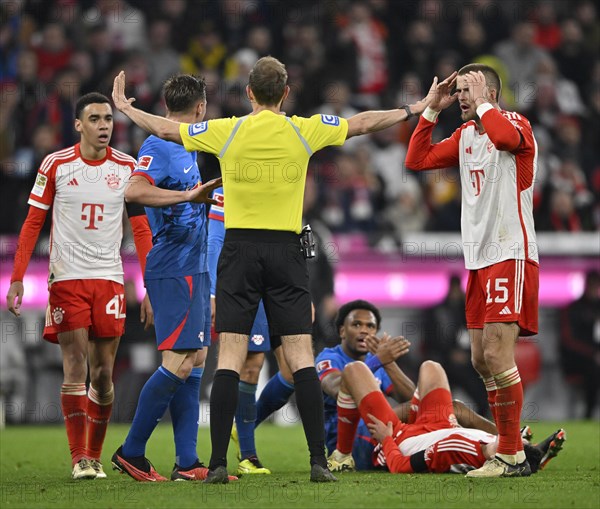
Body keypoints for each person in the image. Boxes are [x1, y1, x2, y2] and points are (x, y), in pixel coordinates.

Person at [112, 55, 435, 483]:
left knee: (228, 358)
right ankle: (318, 462)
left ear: (248, 94)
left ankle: (220, 464)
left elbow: (167, 128)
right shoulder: (303, 129)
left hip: (239, 250)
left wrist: (127, 108)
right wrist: (416, 108)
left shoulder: (227, 130)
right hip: (286, 251)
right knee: (300, 358)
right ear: (285, 93)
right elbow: (362, 123)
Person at [5, 92, 154, 480]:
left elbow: (140, 228)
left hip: (109, 278)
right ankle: (79, 460)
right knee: (75, 368)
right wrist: (18, 277)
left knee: (103, 374)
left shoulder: (127, 167)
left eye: (108, 119)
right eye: (95, 119)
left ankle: (94, 454)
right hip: (67, 277)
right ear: (78, 125)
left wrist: (150, 284)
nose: (104, 125)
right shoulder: (55, 165)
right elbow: (32, 223)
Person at [405, 64, 540, 477]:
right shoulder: (464, 136)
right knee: (482, 359)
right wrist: (431, 110)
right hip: (478, 260)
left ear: (491, 92)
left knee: (499, 353)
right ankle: (508, 449)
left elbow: (501, 137)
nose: (461, 96)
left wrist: (483, 103)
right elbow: (417, 158)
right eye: (459, 90)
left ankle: (511, 455)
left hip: (510, 253)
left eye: (468, 88)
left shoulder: (516, 123)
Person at [110, 75, 224, 482]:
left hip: (194, 265)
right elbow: (133, 192)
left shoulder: (187, 144)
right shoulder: (157, 146)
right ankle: (132, 452)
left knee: (195, 361)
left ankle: (187, 461)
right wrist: (185, 197)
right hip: (173, 265)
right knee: (177, 364)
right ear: (200, 108)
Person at [318, 299, 497, 472]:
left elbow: (412, 399)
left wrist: (388, 363)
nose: (364, 331)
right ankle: (342, 455)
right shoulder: (330, 358)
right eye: (356, 325)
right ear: (342, 331)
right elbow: (335, 387)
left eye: (370, 326)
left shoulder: (378, 362)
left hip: (386, 429)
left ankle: (508, 439)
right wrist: (379, 360)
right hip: (357, 440)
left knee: (433, 370)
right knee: (354, 369)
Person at [338, 359, 565, 474]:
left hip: (401, 438)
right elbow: (511, 444)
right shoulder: (496, 446)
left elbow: (401, 467)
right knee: (431, 367)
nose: (509, 443)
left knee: (353, 370)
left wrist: (387, 439)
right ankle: (533, 459)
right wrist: (531, 448)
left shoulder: (457, 446)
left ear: (498, 457)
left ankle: (342, 455)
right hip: (441, 425)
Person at [207, 183, 292, 475]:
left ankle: (244, 424)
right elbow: (215, 240)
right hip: (245, 282)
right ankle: (248, 455)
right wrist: (214, 292)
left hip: (279, 283)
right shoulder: (230, 181)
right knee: (251, 363)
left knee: (293, 369)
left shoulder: (283, 175)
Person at [420, 274, 489, 416]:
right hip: (443, 364)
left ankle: (480, 429)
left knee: (482, 399)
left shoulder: (466, 311)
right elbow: (430, 340)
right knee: (433, 401)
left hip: (466, 364)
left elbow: (477, 336)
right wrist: (450, 353)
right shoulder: (436, 312)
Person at [559, 269, 600, 419]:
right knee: (593, 369)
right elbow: (568, 340)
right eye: (591, 284)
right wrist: (593, 354)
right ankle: (588, 415)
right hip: (576, 360)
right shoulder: (573, 308)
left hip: (595, 358)